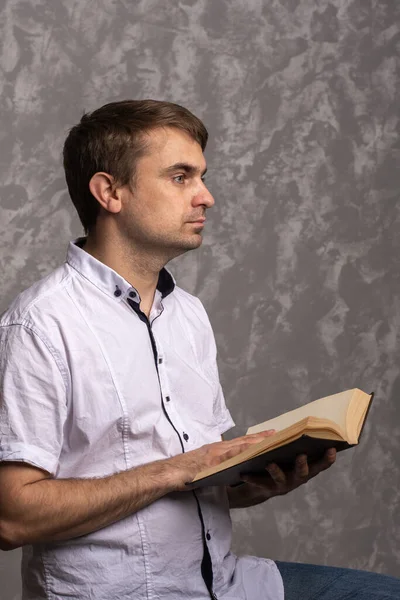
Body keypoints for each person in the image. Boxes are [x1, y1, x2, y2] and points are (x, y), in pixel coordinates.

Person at [0, 100, 398, 600]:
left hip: (226, 584)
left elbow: (193, 482)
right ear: (109, 192)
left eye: (202, 177)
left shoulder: (189, 315)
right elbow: (11, 516)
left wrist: (251, 483)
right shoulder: (39, 323)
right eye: (181, 177)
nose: (206, 197)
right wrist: (172, 470)